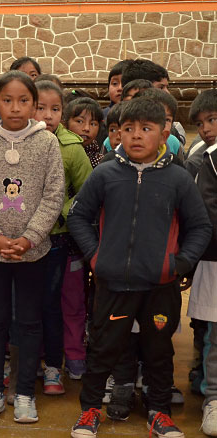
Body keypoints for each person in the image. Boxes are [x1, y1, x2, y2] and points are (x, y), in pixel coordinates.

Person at [67, 97, 211, 438]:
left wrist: (180, 263)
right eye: (127, 129)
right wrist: (97, 257)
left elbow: (200, 226)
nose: (135, 136)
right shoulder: (104, 174)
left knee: (159, 352)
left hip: (160, 287)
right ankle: (89, 412)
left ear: (163, 134)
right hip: (113, 284)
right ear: (117, 133)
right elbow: (78, 216)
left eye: (145, 129)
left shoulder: (177, 178)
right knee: (103, 349)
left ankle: (159, 413)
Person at [0, 71, 64, 423]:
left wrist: (28, 238)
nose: (15, 108)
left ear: (35, 106)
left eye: (24, 101)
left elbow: (54, 196)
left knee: (30, 321)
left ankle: (23, 393)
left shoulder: (47, 143)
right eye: (7, 100)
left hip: (33, 252)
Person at [34, 80, 92, 392]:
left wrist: (59, 212)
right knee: (39, 302)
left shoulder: (72, 148)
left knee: (70, 301)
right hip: (31, 241)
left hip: (66, 240)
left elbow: (87, 193)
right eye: (40, 108)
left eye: (55, 109)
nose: (48, 115)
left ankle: (74, 354)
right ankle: (43, 356)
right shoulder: (21, 144)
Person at [187, 89, 217, 436]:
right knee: (212, 332)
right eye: (200, 123)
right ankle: (212, 395)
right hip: (213, 257)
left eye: (212, 120)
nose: (207, 128)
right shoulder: (206, 158)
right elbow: (208, 208)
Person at [63, 97, 104, 168]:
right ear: (65, 124)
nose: (86, 128)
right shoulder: (57, 154)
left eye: (93, 124)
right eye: (80, 121)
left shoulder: (102, 163)